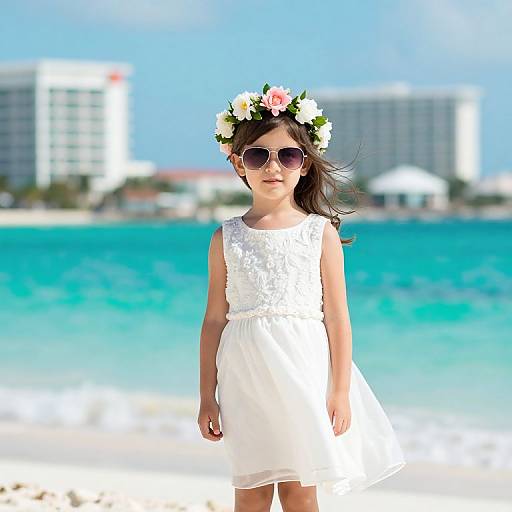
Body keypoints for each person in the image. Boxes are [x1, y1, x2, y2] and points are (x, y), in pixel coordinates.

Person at [198, 84, 406, 511]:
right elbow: (214, 320)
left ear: (305, 164)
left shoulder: (318, 233)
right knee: (250, 492)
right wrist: (207, 395)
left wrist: (341, 391)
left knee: (299, 491)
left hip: (304, 371)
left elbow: (338, 319)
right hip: (243, 376)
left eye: (287, 155)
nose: (273, 166)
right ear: (238, 163)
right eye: (258, 155)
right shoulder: (226, 237)